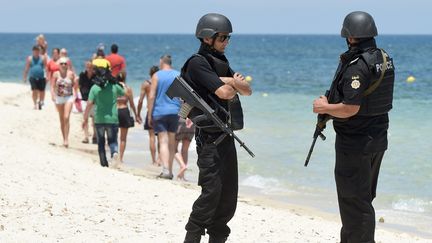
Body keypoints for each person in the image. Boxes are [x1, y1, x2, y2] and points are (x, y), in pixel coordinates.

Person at [312, 11, 395, 243]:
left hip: (356, 143)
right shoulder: (384, 58)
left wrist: (324, 107)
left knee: (353, 202)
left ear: (350, 36)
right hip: (377, 139)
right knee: (362, 199)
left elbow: (350, 108)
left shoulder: (357, 66)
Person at [182, 13, 252, 243]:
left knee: (228, 198)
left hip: (226, 136)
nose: (226, 41)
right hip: (209, 140)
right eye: (222, 37)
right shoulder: (197, 63)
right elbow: (225, 93)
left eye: (228, 37)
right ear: (207, 38)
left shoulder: (221, 63)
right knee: (211, 194)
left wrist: (231, 82)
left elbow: (248, 91)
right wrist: (233, 81)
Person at [82, 62, 124, 167]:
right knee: (113, 141)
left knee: (101, 142)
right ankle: (114, 153)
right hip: (112, 119)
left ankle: (103, 163)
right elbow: (124, 92)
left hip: (99, 119)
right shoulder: (114, 86)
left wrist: (85, 117)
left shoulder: (95, 88)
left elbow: (89, 104)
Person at [147, 55, 181, 179]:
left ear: (161, 62)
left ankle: (165, 169)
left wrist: (150, 113)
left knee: (163, 141)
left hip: (160, 111)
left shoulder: (156, 76)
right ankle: (170, 171)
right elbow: (183, 95)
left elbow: (151, 96)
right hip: (174, 111)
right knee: (172, 142)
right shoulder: (178, 75)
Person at [51, 57, 77, 148]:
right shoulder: (55, 74)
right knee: (61, 119)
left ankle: (66, 139)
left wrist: (75, 94)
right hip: (59, 98)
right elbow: (52, 85)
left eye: (65, 63)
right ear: (59, 65)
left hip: (68, 97)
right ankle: (64, 138)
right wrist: (53, 95)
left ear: (67, 65)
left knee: (66, 117)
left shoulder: (71, 74)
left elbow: (75, 85)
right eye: (61, 63)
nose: (63, 65)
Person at [137, 65, 160, 165]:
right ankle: (160, 159)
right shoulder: (160, 83)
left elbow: (141, 100)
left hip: (150, 111)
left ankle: (153, 160)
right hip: (160, 111)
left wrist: (137, 113)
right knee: (160, 137)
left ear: (150, 73)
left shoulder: (146, 84)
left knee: (152, 137)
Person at [116, 71, 140, 164]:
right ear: (125, 78)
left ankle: (114, 153)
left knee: (113, 135)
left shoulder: (114, 88)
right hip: (124, 111)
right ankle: (120, 158)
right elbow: (132, 104)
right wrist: (136, 115)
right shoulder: (128, 89)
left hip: (115, 111)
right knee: (123, 138)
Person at [23, 45, 48, 110]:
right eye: (35, 50)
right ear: (33, 51)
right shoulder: (29, 58)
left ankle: (40, 102)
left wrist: (47, 76)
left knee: (42, 91)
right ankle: (35, 104)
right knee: (34, 91)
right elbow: (27, 68)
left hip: (41, 77)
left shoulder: (43, 58)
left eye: (37, 50)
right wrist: (25, 77)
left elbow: (46, 67)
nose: (36, 51)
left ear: (39, 51)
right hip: (33, 77)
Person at [78, 60, 97, 144]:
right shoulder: (82, 75)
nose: (89, 68)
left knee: (95, 119)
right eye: (87, 67)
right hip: (85, 99)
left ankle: (95, 136)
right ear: (86, 67)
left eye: (90, 67)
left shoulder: (96, 76)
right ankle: (86, 136)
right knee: (85, 118)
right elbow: (79, 85)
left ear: (93, 68)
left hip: (95, 100)